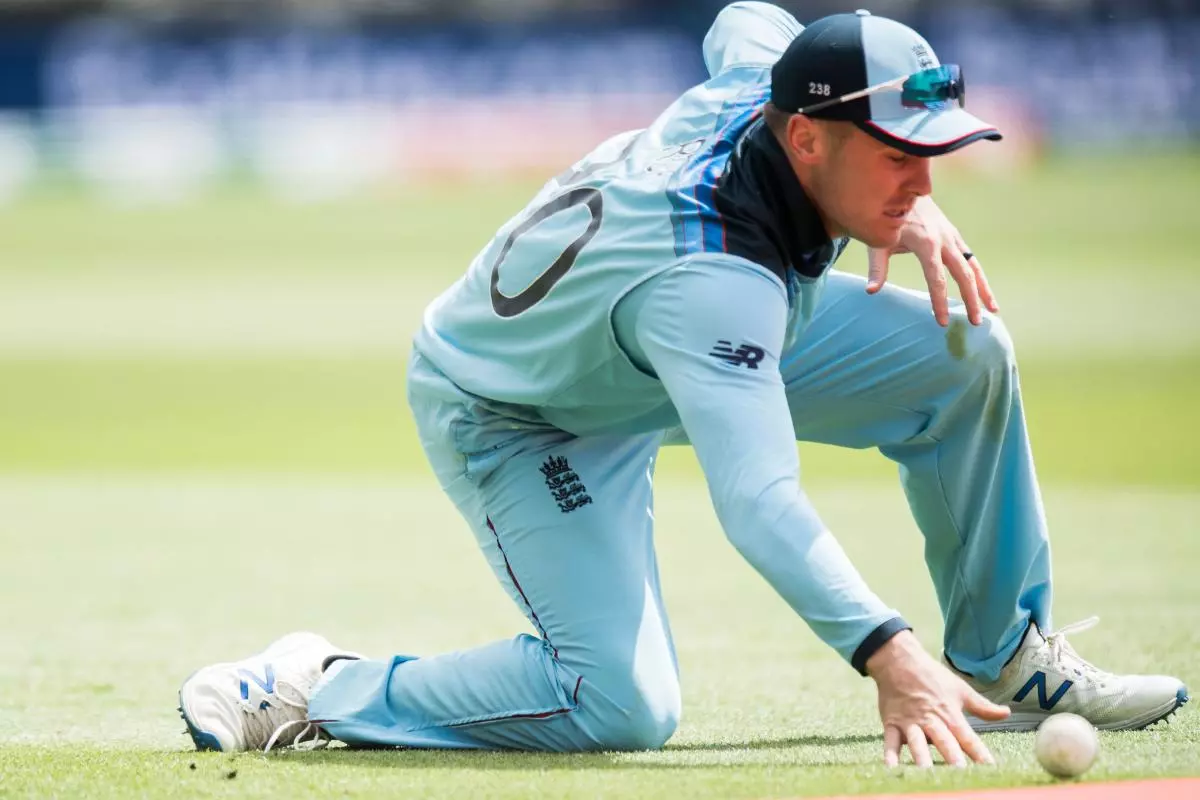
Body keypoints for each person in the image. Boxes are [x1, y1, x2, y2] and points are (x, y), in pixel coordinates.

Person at [178, 3, 1188, 767]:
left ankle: (1003, 655)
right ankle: (319, 685)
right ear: (807, 140)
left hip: (644, 341)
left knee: (963, 351)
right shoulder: (715, 285)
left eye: (931, 157)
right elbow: (759, 502)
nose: (922, 182)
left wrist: (904, 202)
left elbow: (742, 17)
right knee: (621, 705)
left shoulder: (768, 86)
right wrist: (889, 653)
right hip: (521, 410)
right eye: (899, 158)